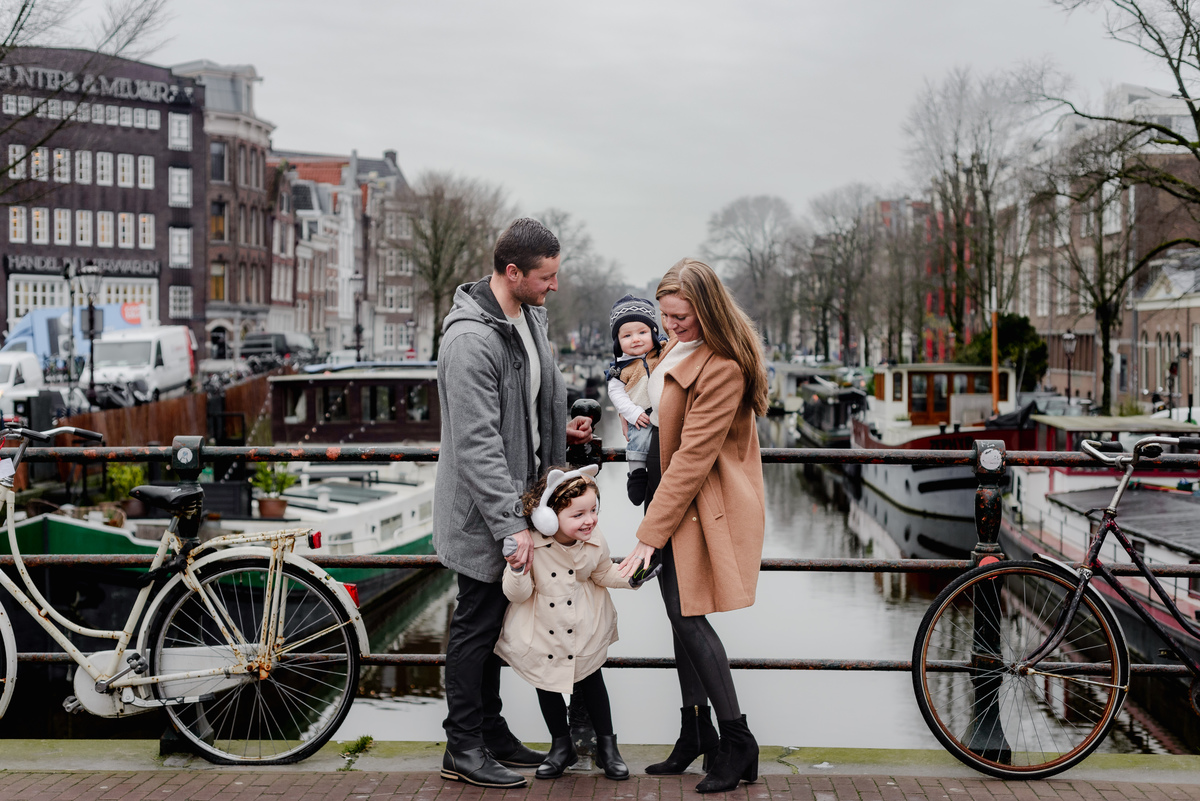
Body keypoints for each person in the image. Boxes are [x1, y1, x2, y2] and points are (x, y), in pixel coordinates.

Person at [434, 217, 594, 789]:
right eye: (546, 276)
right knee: (475, 624)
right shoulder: (469, 342)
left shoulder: (527, 318)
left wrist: (557, 435)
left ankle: (491, 732)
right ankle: (462, 747)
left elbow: (523, 404)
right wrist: (510, 525)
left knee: (497, 622)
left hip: (516, 500)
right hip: (483, 512)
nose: (555, 285)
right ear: (512, 272)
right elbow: (477, 443)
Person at [617, 258, 769, 794]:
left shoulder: (724, 366)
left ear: (707, 310)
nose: (670, 325)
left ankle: (738, 738)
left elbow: (694, 458)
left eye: (680, 316)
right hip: (669, 498)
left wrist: (648, 535)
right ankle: (695, 731)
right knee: (678, 615)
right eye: (665, 315)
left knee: (687, 615)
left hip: (699, 504)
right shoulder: (678, 348)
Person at [495, 464, 654, 781]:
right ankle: (561, 745)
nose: (590, 520)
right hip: (543, 628)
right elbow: (517, 594)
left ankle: (608, 748)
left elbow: (603, 572)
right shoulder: (532, 544)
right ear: (549, 517)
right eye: (578, 514)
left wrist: (632, 577)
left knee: (592, 680)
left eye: (593, 510)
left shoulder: (594, 540)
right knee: (546, 685)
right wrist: (516, 567)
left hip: (584, 624)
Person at [604, 294, 665, 505]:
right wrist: (632, 413)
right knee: (637, 440)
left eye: (642, 332)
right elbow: (616, 394)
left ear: (653, 332)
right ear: (617, 341)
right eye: (627, 336)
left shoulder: (663, 353)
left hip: (663, 413)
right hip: (639, 413)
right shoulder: (620, 368)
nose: (636, 339)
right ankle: (637, 474)